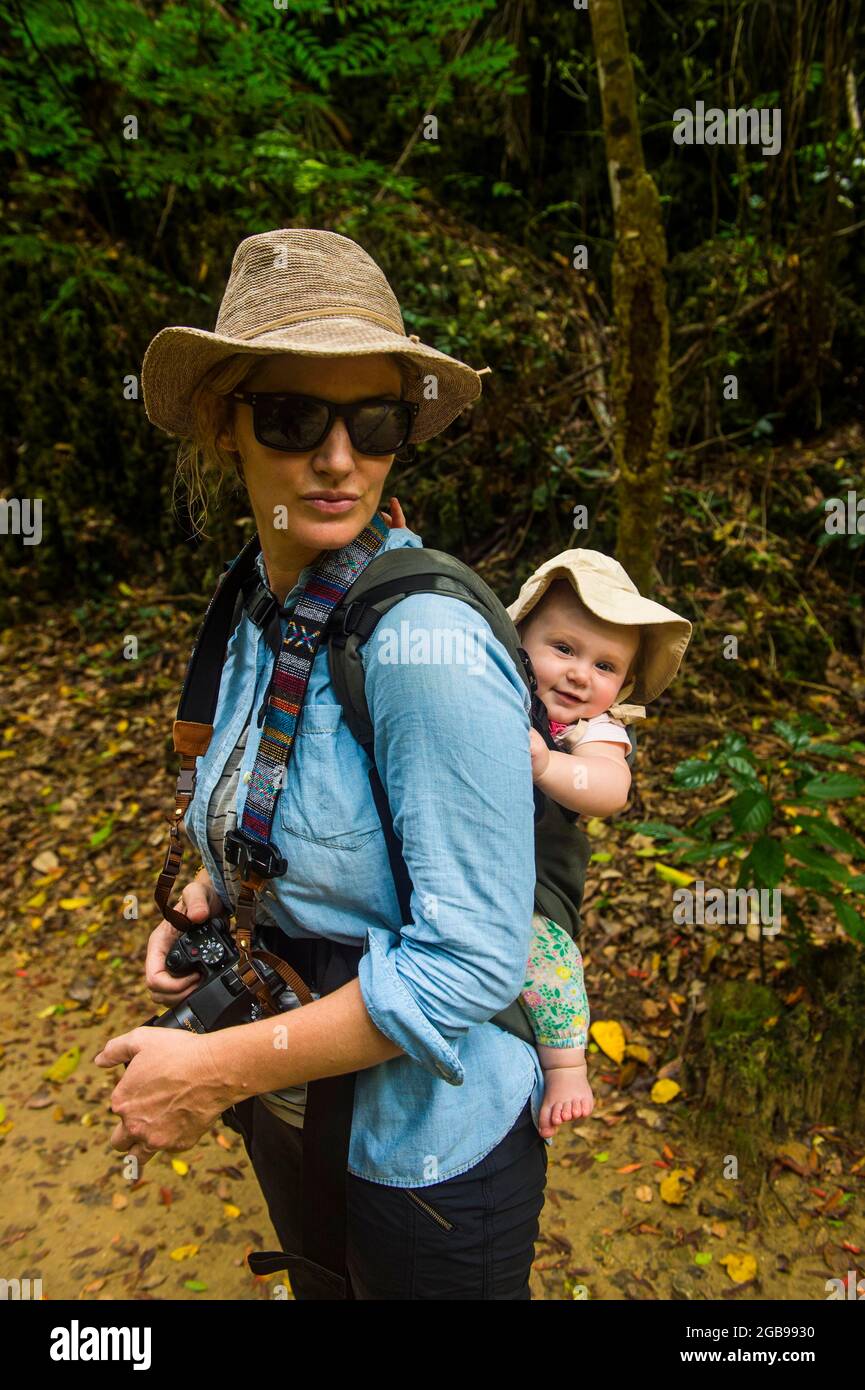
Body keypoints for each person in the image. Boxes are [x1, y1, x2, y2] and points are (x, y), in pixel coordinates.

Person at [93, 227, 549, 1301]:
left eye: (374, 422)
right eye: (295, 417)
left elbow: (475, 960)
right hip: (302, 1111)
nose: (337, 458)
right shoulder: (265, 597)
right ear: (227, 423)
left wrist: (209, 1070)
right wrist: (218, 893)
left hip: (427, 1159)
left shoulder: (422, 645)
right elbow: (287, 797)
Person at [506, 548, 692, 1137]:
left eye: (606, 666)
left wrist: (546, 767)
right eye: (563, 649)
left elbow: (610, 789)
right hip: (455, 859)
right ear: (517, 639)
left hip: (533, 883)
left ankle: (565, 1065)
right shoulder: (492, 687)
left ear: (625, 685)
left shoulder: (591, 730)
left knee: (548, 965)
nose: (581, 674)